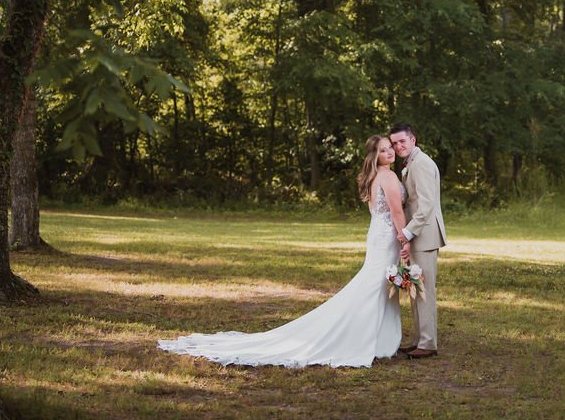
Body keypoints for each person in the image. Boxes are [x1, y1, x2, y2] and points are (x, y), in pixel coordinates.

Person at [158, 135, 406, 368]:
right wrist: (405, 238)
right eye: (383, 150)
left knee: (378, 285)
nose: (389, 152)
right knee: (374, 288)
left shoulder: (375, 176)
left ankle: (379, 340)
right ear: (374, 156)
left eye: (390, 147)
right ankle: (359, 339)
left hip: (377, 234)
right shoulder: (389, 177)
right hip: (385, 238)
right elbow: (396, 212)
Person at [389, 122, 447, 359]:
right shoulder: (410, 164)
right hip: (418, 236)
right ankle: (419, 339)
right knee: (415, 288)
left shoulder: (421, 163)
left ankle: (428, 343)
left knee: (424, 291)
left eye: (402, 141)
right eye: (394, 143)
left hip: (424, 236)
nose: (398, 146)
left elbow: (426, 205)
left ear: (413, 140)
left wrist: (408, 232)